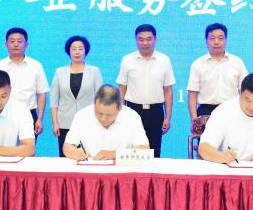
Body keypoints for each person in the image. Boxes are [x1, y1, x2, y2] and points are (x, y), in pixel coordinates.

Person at [197, 74, 253, 164]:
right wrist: (220, 156)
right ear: (239, 93)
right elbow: (203, 147)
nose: (252, 107)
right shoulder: (224, 110)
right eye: (248, 100)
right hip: (228, 166)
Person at [117, 24, 175, 157]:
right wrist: (121, 113)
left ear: (155, 39)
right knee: (132, 151)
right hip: (133, 111)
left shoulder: (164, 60)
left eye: (149, 39)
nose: (145, 43)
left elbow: (168, 90)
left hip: (156, 112)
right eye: (141, 39)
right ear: (136, 40)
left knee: (154, 151)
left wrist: (168, 117)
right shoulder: (127, 60)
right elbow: (122, 88)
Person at [49, 35, 103, 156]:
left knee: (88, 155)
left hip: (88, 121)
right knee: (66, 156)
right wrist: (55, 123)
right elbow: (54, 100)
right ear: (68, 51)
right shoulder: (59, 72)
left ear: (85, 51)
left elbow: (100, 99)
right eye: (73, 49)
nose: (77, 52)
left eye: (80, 49)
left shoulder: (94, 71)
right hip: (65, 122)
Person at [63, 85, 150, 160]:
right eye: (99, 113)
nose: (103, 119)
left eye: (108, 115)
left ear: (120, 108)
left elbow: (144, 150)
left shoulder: (132, 117)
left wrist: (114, 154)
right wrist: (76, 153)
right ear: (94, 104)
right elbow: (67, 147)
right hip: (91, 169)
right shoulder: (82, 116)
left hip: (122, 170)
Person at [0, 27, 49, 135]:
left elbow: (41, 93)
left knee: (27, 145)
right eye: (12, 41)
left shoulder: (35, 66)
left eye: (20, 41)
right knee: (3, 145)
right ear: (6, 44)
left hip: (28, 114)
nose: (16, 44)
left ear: (26, 44)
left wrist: (40, 119)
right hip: (2, 114)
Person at [187, 22, 247, 120]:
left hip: (232, 110)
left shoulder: (237, 62)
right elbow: (192, 95)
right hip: (206, 111)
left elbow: (244, 90)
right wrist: (194, 120)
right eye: (212, 38)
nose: (216, 42)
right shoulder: (197, 64)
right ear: (206, 41)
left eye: (220, 38)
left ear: (226, 40)